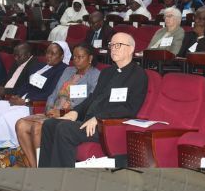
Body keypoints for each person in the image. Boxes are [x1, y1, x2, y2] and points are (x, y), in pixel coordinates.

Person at [38, 33, 147, 167]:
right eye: (111, 45)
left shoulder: (138, 75)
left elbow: (129, 109)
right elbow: (93, 98)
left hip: (109, 126)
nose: (113, 49)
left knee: (64, 128)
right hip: (90, 121)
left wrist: (99, 118)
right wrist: (75, 112)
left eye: (118, 45)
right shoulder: (107, 72)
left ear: (131, 49)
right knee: (49, 125)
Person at [15, 44, 100, 167]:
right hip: (53, 111)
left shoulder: (95, 75)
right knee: (20, 124)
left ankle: (42, 168)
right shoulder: (68, 70)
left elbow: (88, 102)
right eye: (74, 57)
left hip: (69, 116)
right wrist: (49, 108)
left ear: (90, 58)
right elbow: (54, 93)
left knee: (36, 128)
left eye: (80, 57)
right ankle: (35, 167)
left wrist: (62, 112)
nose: (76, 60)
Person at [0, 41, 68, 144]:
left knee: (3, 118)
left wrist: (25, 101)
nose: (48, 56)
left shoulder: (62, 70)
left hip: (33, 105)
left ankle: (4, 150)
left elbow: (49, 94)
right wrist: (16, 95)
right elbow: (27, 85)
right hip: (21, 100)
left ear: (61, 56)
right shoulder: (43, 67)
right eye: (47, 52)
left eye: (53, 53)